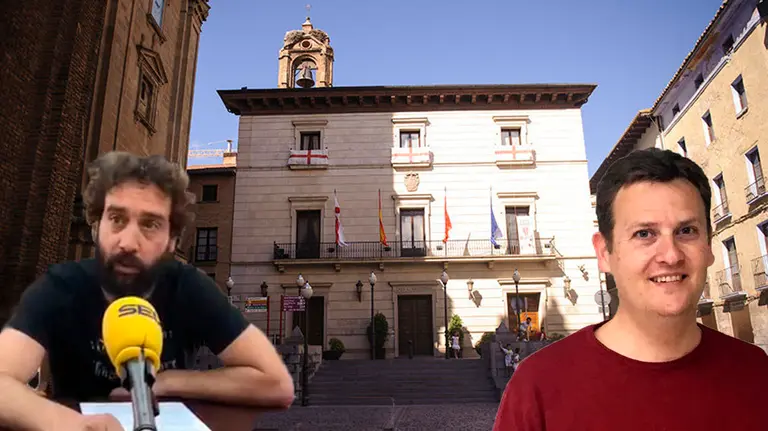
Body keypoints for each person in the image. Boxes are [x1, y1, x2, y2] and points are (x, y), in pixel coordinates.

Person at [0, 152, 295, 430]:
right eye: (116, 219)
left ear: (171, 241)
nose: (128, 242)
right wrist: (64, 423)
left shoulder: (189, 287)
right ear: (96, 226)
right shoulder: (61, 286)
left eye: (150, 224)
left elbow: (277, 384)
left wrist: (167, 381)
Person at [494, 148, 768, 430]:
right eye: (644, 234)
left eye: (686, 231)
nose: (671, 255)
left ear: (709, 246)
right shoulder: (536, 387)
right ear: (604, 253)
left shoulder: (756, 372)